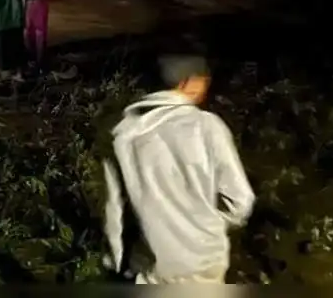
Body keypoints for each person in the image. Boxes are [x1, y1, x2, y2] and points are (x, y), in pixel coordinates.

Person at [103, 56, 254, 284]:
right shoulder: (207, 126)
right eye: (204, 81)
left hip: (151, 266)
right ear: (188, 83)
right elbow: (240, 202)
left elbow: (114, 211)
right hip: (204, 263)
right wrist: (206, 223)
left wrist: (115, 262)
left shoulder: (121, 136)